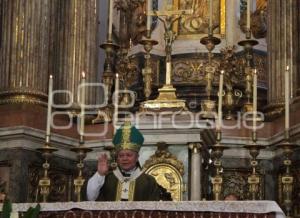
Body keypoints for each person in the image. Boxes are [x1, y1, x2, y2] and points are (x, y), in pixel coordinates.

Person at [86, 121, 161, 201]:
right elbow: (90, 198)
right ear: (117, 158)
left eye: (129, 155)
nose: (125, 158)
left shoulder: (148, 181)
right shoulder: (107, 179)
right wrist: (100, 174)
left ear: (137, 157)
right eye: (121, 155)